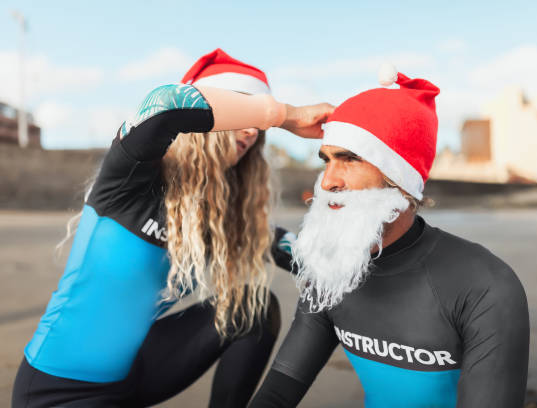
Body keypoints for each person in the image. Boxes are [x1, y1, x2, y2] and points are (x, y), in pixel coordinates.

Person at [12, 49, 334, 408]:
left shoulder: (220, 214)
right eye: (243, 109)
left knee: (253, 311)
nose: (251, 129)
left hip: (135, 375)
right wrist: (282, 115)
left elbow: (300, 252)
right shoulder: (132, 175)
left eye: (257, 125)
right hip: (57, 389)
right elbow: (164, 105)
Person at [250, 66, 530, 408]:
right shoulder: (331, 272)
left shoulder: (484, 284)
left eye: (349, 159)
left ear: (398, 177)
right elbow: (278, 392)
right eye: (326, 161)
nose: (327, 182)